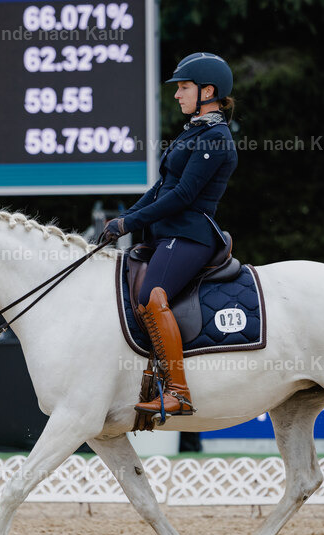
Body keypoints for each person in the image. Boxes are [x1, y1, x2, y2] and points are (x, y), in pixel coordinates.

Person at [100, 52, 238, 418]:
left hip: (190, 234)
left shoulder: (215, 137)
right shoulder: (193, 132)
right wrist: (125, 218)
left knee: (151, 295)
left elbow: (183, 196)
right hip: (167, 233)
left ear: (208, 90)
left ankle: (178, 391)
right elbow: (161, 187)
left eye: (184, 87)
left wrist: (131, 224)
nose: (177, 95)